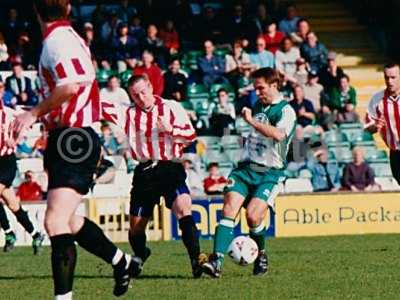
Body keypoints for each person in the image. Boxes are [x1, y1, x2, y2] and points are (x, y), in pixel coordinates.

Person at [11, 2, 136, 298]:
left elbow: (68, 87)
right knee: (68, 220)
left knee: (53, 221)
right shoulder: (70, 37)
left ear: (36, 13)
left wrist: (33, 114)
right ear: (67, 8)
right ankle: (122, 263)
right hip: (69, 137)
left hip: (73, 138)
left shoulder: (57, 41)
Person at [103, 74, 207, 279]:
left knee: (183, 207)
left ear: (151, 87)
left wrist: (170, 130)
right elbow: (99, 105)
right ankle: (141, 254)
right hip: (144, 172)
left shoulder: (171, 107)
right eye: (135, 95)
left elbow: (190, 136)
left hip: (170, 166)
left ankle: (196, 260)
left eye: (143, 92)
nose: (141, 98)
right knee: (136, 227)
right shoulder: (127, 113)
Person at [202, 68, 297, 278]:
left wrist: (252, 121)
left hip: (270, 172)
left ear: (274, 85)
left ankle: (261, 253)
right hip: (246, 168)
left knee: (253, 216)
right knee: (228, 209)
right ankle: (216, 261)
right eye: (255, 88)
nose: (257, 92)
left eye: (261, 88)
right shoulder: (258, 105)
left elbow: (279, 135)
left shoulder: (286, 111)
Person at [0, 99, 45, 254]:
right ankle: (36, 234)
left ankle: (9, 233)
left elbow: (25, 125)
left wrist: (16, 140)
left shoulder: (10, 113)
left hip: (6, 162)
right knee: (12, 204)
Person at [366, 63, 400, 185]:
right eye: (386, 77)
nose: (389, 81)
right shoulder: (377, 99)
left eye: (393, 77)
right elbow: (368, 127)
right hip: (395, 152)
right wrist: (374, 127)